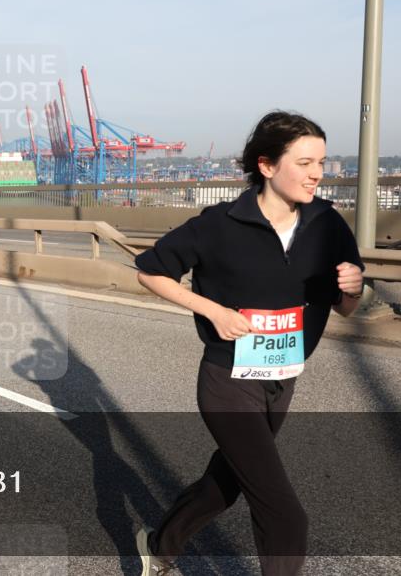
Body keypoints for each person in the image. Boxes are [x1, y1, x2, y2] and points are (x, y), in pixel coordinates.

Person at [133, 112, 365, 576]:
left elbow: (346, 308)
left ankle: (159, 546)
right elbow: (150, 271)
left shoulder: (327, 224)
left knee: (228, 482)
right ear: (266, 165)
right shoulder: (220, 223)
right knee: (284, 513)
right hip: (227, 380)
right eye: (304, 162)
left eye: (322, 161)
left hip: (282, 379)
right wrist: (213, 311)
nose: (318, 173)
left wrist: (355, 288)